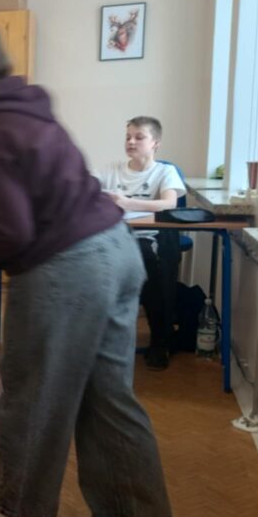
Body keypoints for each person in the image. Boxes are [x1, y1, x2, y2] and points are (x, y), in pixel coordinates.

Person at [0, 23, 177, 517]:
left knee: (32, 390)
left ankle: (13, 500)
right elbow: (34, 197)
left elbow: (12, 231)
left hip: (67, 266)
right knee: (108, 396)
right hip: (115, 249)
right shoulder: (27, 109)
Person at [96, 117, 185, 370]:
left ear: (155, 143)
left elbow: (169, 203)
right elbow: (85, 189)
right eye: (128, 137)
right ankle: (95, 341)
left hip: (145, 238)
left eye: (139, 137)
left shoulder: (164, 172)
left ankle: (160, 340)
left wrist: (127, 203)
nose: (131, 142)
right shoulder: (111, 169)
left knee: (146, 263)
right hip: (111, 236)